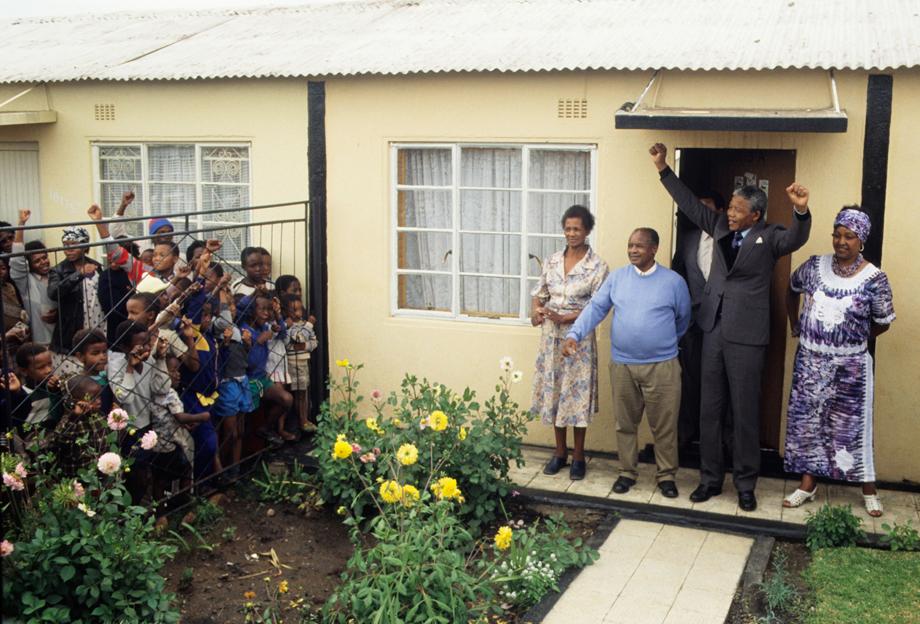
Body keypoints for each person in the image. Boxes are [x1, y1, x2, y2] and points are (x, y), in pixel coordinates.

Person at [649, 142, 812, 512]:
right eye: (732, 207)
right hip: (713, 329)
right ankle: (709, 479)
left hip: (748, 335)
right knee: (710, 407)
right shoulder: (719, 224)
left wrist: (801, 210)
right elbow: (689, 203)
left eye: (739, 209)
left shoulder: (770, 237)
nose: (732, 213)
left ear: (756, 215)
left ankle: (745, 484)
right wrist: (663, 169)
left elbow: (796, 238)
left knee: (744, 411)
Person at [782, 208, 894, 517]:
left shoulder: (874, 278)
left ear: (862, 240)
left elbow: (883, 321)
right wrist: (796, 325)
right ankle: (807, 484)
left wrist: (852, 339)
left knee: (853, 427)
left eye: (849, 236)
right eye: (837, 235)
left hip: (851, 368)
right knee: (808, 425)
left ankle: (868, 489)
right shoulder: (815, 267)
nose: (841, 241)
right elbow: (791, 291)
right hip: (809, 362)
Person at [564, 228, 691, 496]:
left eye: (639, 246)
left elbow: (683, 319)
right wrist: (575, 333)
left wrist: (659, 342)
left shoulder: (673, 282)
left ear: (654, 249)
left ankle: (666, 476)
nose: (633, 250)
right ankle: (626, 472)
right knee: (625, 424)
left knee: (665, 426)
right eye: (630, 245)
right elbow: (596, 308)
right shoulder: (618, 278)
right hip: (622, 364)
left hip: (662, 366)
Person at [531, 205, 609, 480]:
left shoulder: (597, 266)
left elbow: (599, 305)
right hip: (551, 339)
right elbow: (539, 294)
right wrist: (536, 312)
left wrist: (566, 317)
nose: (572, 233)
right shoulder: (552, 261)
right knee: (554, 392)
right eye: (568, 228)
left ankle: (578, 456)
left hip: (579, 339)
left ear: (587, 230)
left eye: (577, 228)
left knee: (575, 397)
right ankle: (559, 452)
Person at [670, 192, 727, 449]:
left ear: (720, 211)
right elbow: (677, 275)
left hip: (722, 324)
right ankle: (687, 436)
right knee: (690, 380)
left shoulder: (730, 240)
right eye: (697, 209)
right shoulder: (688, 239)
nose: (699, 214)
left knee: (720, 382)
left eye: (706, 208)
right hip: (692, 323)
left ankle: (721, 439)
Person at [47, 226, 104, 356]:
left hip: (97, 323)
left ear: (85, 246)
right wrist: (78, 274)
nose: (69, 250)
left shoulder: (96, 266)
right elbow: (53, 293)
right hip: (72, 329)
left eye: (74, 244)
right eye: (65, 245)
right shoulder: (58, 270)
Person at [11, 210, 56, 345]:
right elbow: (17, 260)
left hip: (62, 340)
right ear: (29, 265)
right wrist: (21, 224)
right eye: (37, 261)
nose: (43, 262)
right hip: (41, 342)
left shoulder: (56, 275)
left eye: (45, 257)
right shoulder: (26, 282)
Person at [281, 293, 318, 433]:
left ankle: (303, 419)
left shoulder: (303, 324)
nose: (298, 313)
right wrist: (309, 325)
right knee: (296, 392)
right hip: (292, 363)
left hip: (303, 362)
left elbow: (313, 341)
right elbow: (298, 337)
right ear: (286, 311)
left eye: (299, 309)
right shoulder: (288, 325)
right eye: (293, 310)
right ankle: (298, 421)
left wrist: (305, 346)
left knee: (303, 392)